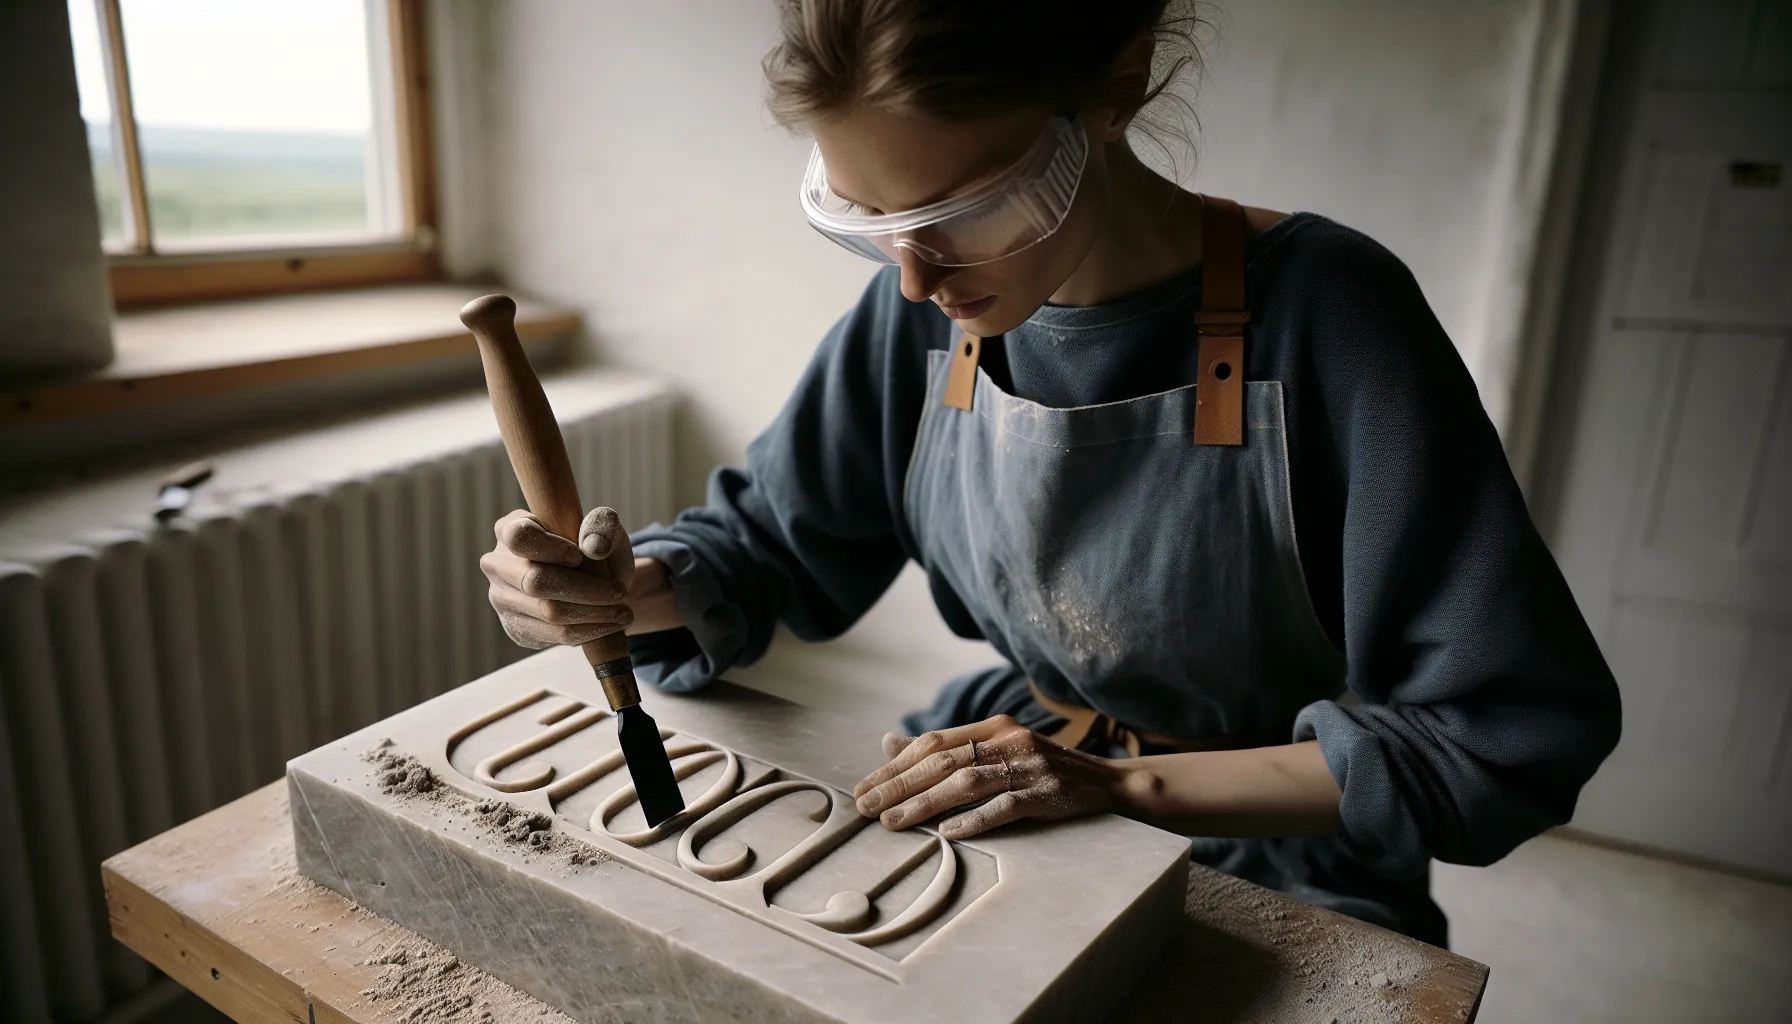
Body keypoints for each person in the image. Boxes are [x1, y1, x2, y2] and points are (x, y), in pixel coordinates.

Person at [479, 0, 1621, 948]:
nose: (917, 281)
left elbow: (1504, 730)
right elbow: (770, 541)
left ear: (1114, 91)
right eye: (871, 220)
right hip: (1003, 779)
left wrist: (1120, 790)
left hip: (1286, 850)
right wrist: (628, 590)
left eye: (966, 213)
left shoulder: (1334, 312)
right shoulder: (917, 316)